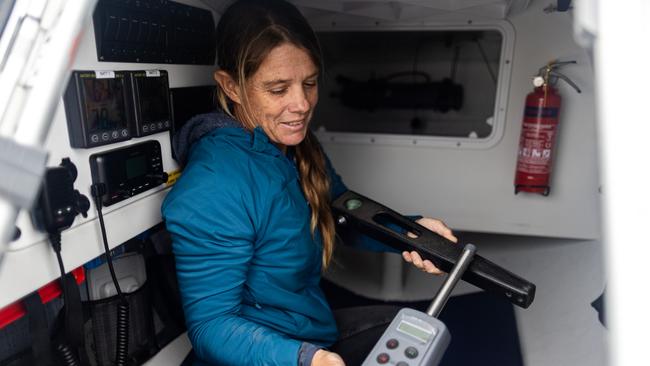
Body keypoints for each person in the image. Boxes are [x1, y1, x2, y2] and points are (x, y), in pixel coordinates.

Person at [162, 0, 458, 365]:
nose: (301, 104)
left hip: (312, 333)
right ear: (231, 86)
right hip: (269, 353)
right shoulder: (213, 186)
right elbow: (212, 327)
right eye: (278, 89)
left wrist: (409, 232)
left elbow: (339, 212)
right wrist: (306, 359)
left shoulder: (295, 147)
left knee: (422, 338)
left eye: (310, 83)